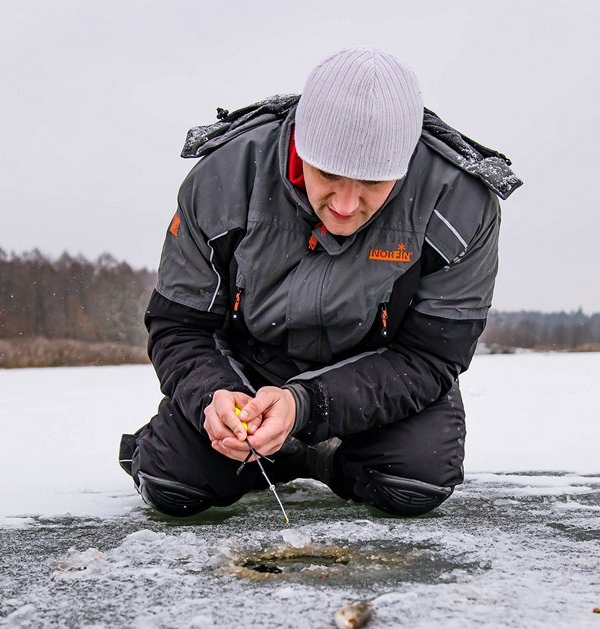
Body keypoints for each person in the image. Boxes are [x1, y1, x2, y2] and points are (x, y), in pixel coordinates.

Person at [119, 47, 521, 518]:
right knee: (174, 483)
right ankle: (247, 449)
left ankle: (314, 453)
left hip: (374, 379)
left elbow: (431, 356)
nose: (346, 205)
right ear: (299, 145)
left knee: (414, 481)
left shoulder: (462, 202)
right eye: (328, 174)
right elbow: (178, 326)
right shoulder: (221, 177)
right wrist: (214, 396)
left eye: (373, 182)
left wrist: (307, 405)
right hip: (249, 373)